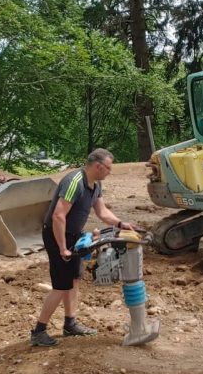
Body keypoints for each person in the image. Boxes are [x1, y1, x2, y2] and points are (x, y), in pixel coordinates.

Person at [30, 148, 135, 347]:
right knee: (61, 286)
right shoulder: (74, 182)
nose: (109, 172)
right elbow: (58, 216)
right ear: (98, 166)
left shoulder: (95, 185)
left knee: (74, 279)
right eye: (108, 168)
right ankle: (39, 331)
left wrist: (121, 224)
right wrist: (62, 248)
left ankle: (70, 324)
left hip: (73, 236)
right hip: (56, 235)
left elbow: (102, 212)